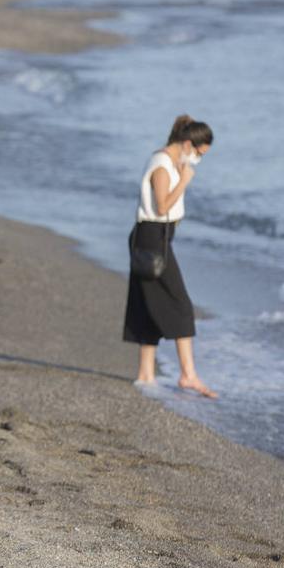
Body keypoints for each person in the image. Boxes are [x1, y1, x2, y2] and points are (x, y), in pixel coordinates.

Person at [123, 115, 217, 398]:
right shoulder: (162, 164)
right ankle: (188, 375)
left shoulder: (170, 161)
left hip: (156, 237)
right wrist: (184, 181)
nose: (199, 159)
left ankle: (145, 374)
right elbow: (162, 206)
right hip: (152, 238)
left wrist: (182, 171)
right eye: (199, 153)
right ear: (188, 143)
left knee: (146, 303)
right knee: (181, 304)